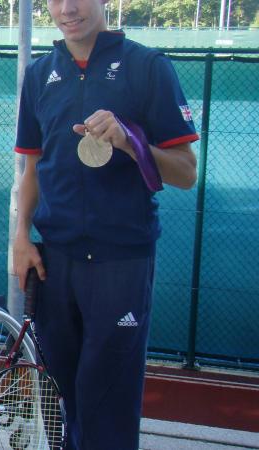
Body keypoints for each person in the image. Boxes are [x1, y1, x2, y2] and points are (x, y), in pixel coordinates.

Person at [13, 1, 198, 448]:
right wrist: (21, 236)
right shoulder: (39, 74)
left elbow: (186, 172)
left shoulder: (148, 67)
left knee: (108, 400)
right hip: (55, 259)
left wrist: (132, 142)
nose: (67, 8)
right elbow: (33, 169)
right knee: (65, 394)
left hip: (120, 262)